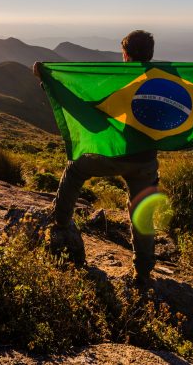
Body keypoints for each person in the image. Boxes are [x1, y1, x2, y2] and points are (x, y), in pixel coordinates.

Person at [33, 30, 159, 285]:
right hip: (145, 160)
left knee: (76, 169)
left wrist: (47, 77)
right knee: (142, 212)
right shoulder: (164, 81)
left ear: (125, 55)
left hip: (113, 155)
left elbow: (83, 99)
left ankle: (60, 221)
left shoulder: (117, 80)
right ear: (150, 54)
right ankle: (143, 273)